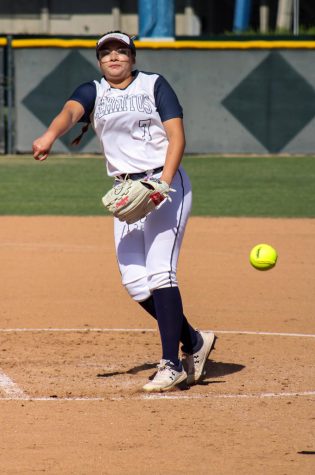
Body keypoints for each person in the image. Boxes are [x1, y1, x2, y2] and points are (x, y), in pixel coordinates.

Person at [32, 30, 216, 392]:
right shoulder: (94, 91)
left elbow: (176, 137)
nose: (114, 57)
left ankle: (171, 363)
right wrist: (50, 135)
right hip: (126, 190)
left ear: (132, 57)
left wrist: (163, 184)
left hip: (165, 184)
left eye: (121, 51)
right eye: (106, 53)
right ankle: (194, 342)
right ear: (99, 60)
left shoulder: (153, 85)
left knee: (161, 272)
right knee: (135, 282)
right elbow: (70, 112)